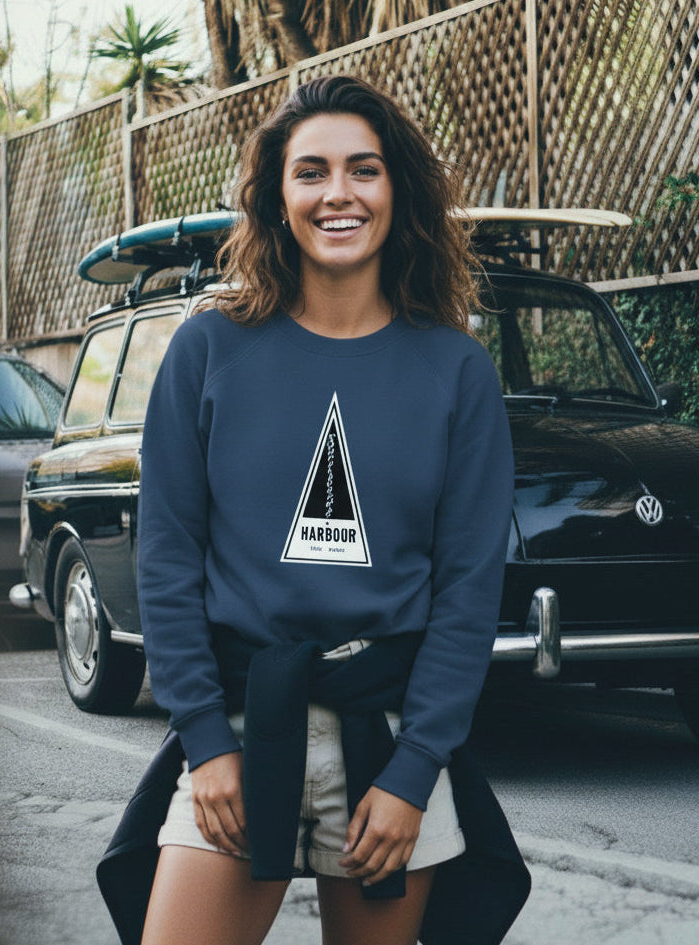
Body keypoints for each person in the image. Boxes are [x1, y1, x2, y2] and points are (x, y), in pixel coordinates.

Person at [128, 75, 524, 945]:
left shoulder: (455, 369)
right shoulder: (206, 350)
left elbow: (465, 589)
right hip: (235, 729)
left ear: (398, 190)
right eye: (310, 172)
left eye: (363, 170)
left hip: (385, 743)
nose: (337, 193)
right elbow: (165, 558)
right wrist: (203, 739)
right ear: (276, 195)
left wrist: (417, 768)